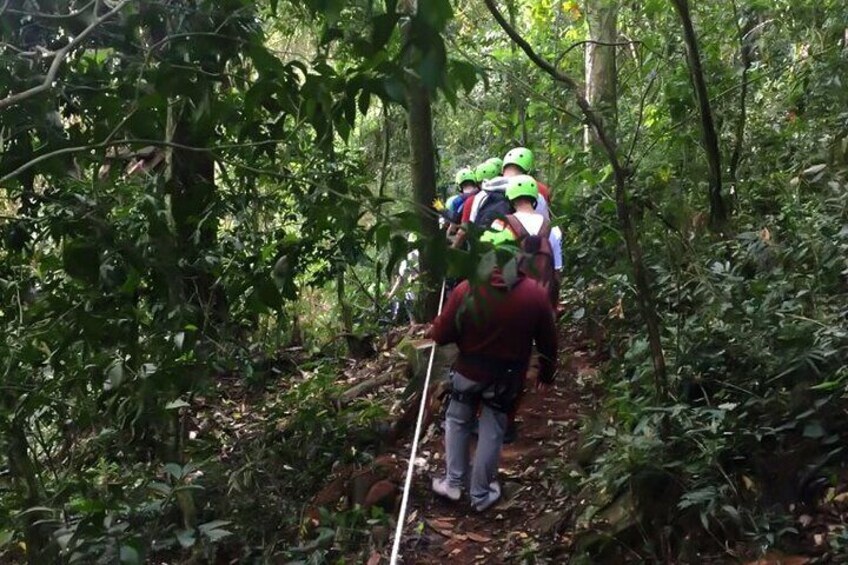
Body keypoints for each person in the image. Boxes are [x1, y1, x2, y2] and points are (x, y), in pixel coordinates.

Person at [428, 245, 558, 512]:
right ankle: (480, 494)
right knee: (492, 429)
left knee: (457, 419)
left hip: (468, 371)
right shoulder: (534, 294)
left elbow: (441, 334)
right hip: (506, 378)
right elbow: (548, 341)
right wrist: (546, 374)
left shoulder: (467, 290)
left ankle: (453, 483)